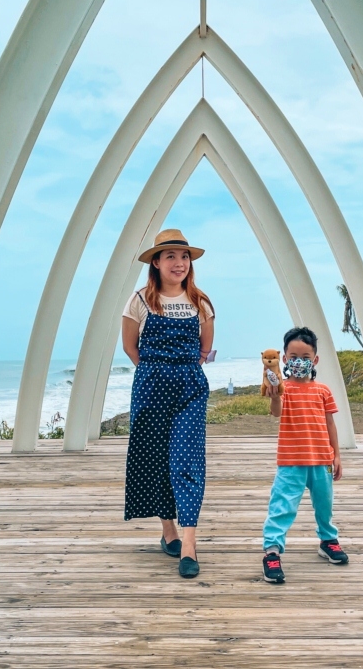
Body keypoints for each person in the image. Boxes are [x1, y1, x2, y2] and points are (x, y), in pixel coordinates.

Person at [122, 229, 214, 578]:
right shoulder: (140, 301)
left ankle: (188, 545)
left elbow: (204, 351)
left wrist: (180, 373)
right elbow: (131, 349)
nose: (179, 263)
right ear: (156, 262)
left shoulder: (201, 303)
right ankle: (168, 531)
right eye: (171, 256)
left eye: (184, 256)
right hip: (150, 389)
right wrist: (157, 373)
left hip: (189, 389)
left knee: (187, 461)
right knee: (158, 459)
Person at [261, 326, 349, 583]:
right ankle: (272, 551)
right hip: (291, 461)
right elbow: (276, 412)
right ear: (284, 359)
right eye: (294, 356)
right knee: (282, 506)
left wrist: (337, 455)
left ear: (315, 360)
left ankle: (328, 540)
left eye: (306, 357)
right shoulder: (283, 388)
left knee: (324, 504)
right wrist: (275, 391)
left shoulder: (323, 391)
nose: (300, 362)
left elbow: (330, 423)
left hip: (321, 460)